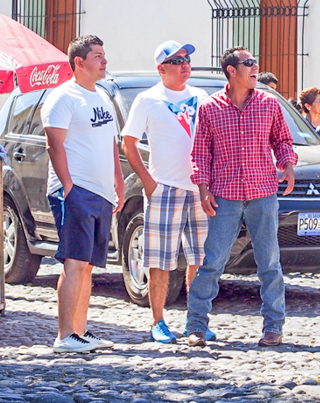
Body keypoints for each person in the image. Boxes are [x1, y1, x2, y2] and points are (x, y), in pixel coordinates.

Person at [185, 47, 297, 347]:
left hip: (263, 193)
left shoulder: (269, 103)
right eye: (249, 63)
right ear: (232, 71)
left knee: (269, 262)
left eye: (255, 62)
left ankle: (274, 325)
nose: (255, 67)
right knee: (213, 261)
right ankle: (196, 324)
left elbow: (282, 140)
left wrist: (287, 165)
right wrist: (203, 188)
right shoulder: (210, 108)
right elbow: (200, 153)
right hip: (225, 196)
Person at [121, 40, 210, 345]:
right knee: (159, 260)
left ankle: (195, 319)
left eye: (187, 59)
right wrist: (147, 181)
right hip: (165, 189)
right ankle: (158, 321)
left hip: (199, 187)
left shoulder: (200, 97)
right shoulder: (147, 100)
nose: (185, 64)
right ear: (161, 69)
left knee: (200, 257)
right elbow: (128, 143)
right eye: (177, 60)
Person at [43, 34, 125, 354]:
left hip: (101, 192)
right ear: (79, 62)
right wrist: (67, 186)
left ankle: (80, 331)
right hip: (77, 191)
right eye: (97, 56)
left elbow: (111, 145)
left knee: (88, 264)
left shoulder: (102, 96)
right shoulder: (64, 97)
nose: (104, 60)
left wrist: (117, 181)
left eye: (104, 55)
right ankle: (65, 335)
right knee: (74, 263)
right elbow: (54, 143)